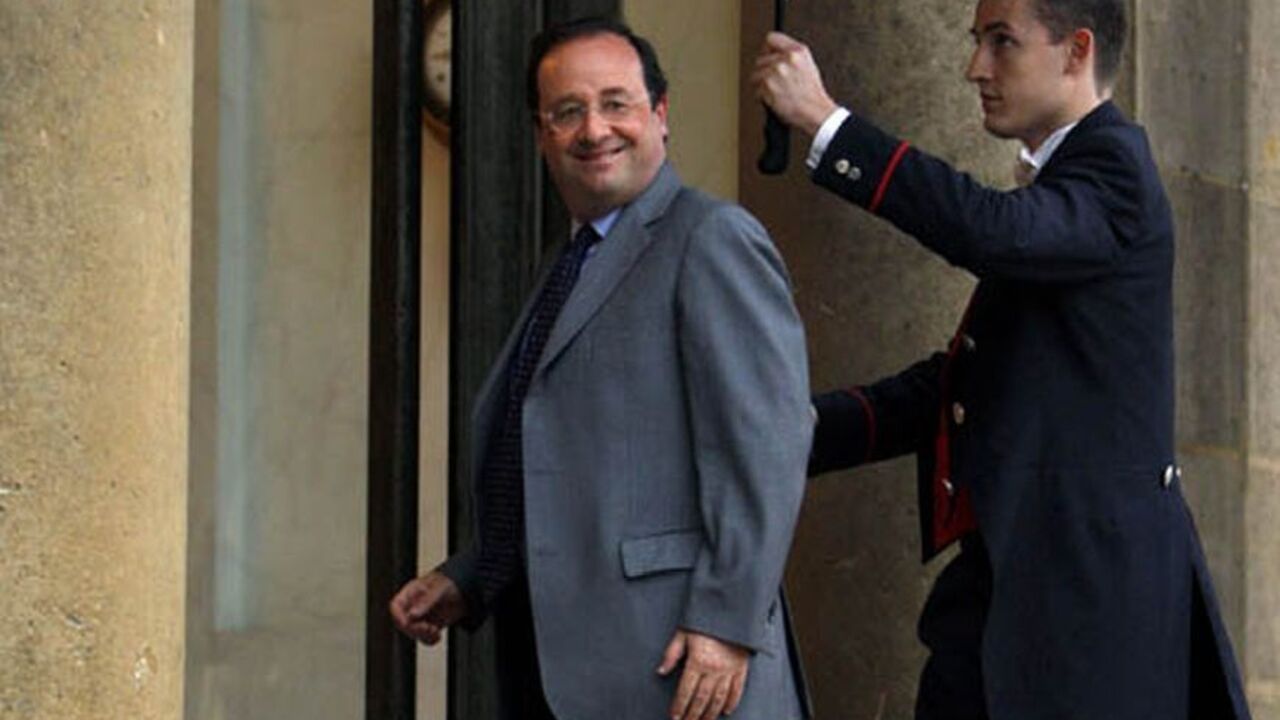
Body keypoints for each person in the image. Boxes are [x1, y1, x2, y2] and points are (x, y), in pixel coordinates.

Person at [752, 0, 1251, 717]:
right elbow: (962, 387)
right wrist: (785, 434)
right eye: (976, 41)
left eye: (1002, 42)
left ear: (1076, 51)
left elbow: (992, 232)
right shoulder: (1069, 185)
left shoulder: (1114, 169)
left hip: (1087, 619)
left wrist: (827, 121)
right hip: (1010, 596)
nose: (974, 68)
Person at [390, 17, 813, 720]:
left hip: (684, 669)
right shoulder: (572, 261)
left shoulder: (710, 238)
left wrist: (727, 620)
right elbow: (572, 460)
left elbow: (766, 448)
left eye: (616, 103)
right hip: (567, 666)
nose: (594, 129)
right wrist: (474, 574)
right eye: (567, 111)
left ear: (661, 114)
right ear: (541, 134)